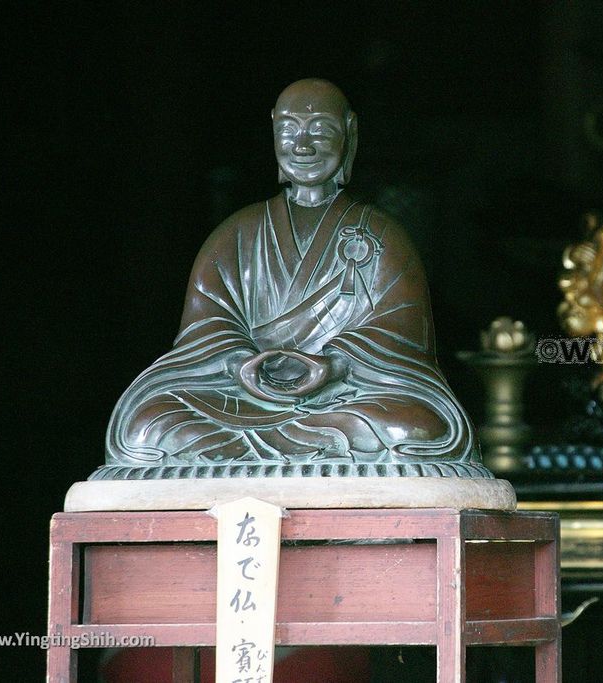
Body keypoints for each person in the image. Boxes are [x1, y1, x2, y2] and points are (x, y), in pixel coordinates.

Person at [100, 79, 486, 479]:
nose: (302, 146)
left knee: (419, 428)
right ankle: (307, 449)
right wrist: (239, 364)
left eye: (320, 130)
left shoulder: (384, 237)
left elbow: (400, 334)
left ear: (349, 133)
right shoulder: (236, 234)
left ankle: (256, 452)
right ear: (273, 132)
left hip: (343, 397)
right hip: (241, 398)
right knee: (144, 427)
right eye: (289, 130)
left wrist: (333, 365)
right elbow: (205, 330)